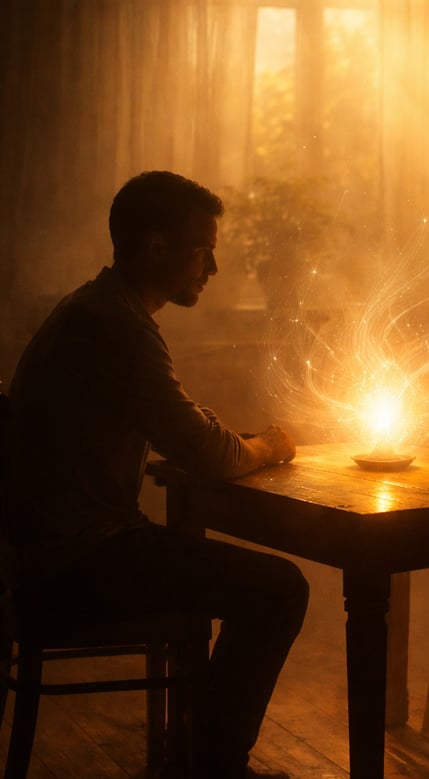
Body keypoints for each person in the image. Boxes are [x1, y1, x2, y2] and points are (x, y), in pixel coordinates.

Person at [1, 171, 309, 779]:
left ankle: (193, 753)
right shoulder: (117, 327)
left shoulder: (95, 309)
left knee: (236, 575)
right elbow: (209, 453)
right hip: (76, 565)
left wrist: (223, 437)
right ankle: (209, 766)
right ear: (156, 248)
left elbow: (182, 423)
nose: (214, 268)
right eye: (204, 249)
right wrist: (270, 445)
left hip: (43, 557)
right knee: (281, 589)